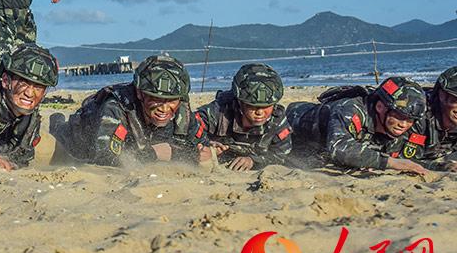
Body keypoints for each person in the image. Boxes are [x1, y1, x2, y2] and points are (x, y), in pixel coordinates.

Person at [50, 54, 211, 166]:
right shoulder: (116, 107)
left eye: (171, 100)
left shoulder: (183, 111)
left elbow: (202, 148)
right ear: (140, 93)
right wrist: (153, 154)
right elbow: (105, 159)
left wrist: (204, 152)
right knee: (59, 137)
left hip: (140, 143)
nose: (164, 108)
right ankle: (57, 122)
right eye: (156, 99)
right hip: (76, 137)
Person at [286, 76, 432, 176]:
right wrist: (388, 163)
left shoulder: (393, 127)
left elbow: (406, 160)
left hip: (320, 146)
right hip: (293, 126)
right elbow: (340, 147)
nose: (404, 124)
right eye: (399, 116)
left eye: (410, 119)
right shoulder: (351, 110)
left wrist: (439, 167)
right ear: (380, 107)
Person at [195, 63, 293, 171]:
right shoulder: (219, 112)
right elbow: (190, 129)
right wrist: (205, 145)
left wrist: (253, 161)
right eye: (252, 106)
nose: (260, 112)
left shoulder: (277, 120)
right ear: (240, 102)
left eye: (266, 106)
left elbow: (281, 154)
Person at [423, 66, 457, 172]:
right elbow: (397, 159)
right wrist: (441, 167)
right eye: (456, 100)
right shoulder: (417, 116)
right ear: (442, 96)